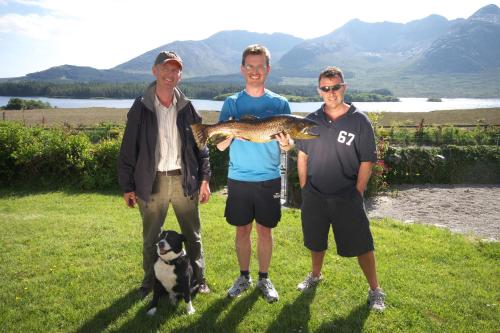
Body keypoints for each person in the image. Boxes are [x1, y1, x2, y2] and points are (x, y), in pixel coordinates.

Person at [117, 51, 212, 298]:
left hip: (184, 181)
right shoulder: (140, 107)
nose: (170, 75)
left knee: (193, 236)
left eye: (175, 70)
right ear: (155, 71)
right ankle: (149, 283)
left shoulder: (188, 108)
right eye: (165, 69)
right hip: (151, 182)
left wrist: (205, 179)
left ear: (180, 75)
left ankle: (199, 281)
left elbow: (201, 147)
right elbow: (128, 150)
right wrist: (128, 186)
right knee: (151, 239)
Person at [295, 66, 386, 311]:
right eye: (326, 88)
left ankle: (375, 290)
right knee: (316, 240)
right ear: (319, 91)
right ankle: (315, 275)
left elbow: (367, 160)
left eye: (335, 87)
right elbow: (302, 155)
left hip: (347, 195)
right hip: (315, 193)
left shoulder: (359, 121)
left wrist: (357, 192)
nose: (331, 92)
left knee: (362, 243)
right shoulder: (311, 121)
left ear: (343, 87)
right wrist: (305, 187)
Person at [216, 44, 293, 303]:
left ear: (268, 69)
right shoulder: (232, 103)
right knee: (241, 230)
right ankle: (243, 277)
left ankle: (264, 278)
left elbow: (288, 143)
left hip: (269, 178)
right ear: (242, 69)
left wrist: (286, 144)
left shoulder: (279, 103)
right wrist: (232, 133)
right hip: (238, 177)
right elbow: (219, 145)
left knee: (265, 231)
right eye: (250, 66)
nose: (255, 71)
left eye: (260, 66)